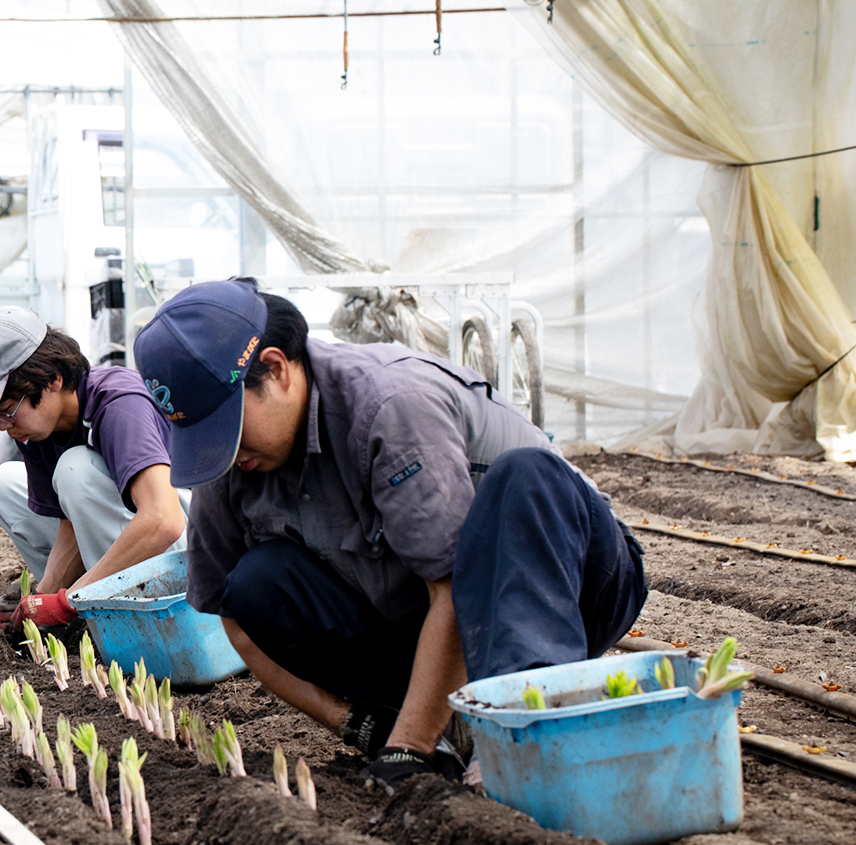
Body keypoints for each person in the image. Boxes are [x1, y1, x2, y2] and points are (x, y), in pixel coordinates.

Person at [132, 279, 646, 791]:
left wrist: (409, 749)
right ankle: (442, 716)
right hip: (422, 616)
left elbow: (453, 587)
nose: (223, 453)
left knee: (523, 476)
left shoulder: (389, 404)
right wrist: (362, 725)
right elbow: (233, 615)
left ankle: (522, 732)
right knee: (257, 584)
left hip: (570, 586)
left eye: (228, 428)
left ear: (276, 369)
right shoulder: (234, 462)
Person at [0, 305, 188, 629]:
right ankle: (87, 604)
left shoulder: (119, 405)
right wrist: (42, 597)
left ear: (54, 380)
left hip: (188, 564)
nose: (3, 427)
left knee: (76, 468)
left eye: (6, 410)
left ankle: (126, 615)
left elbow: (164, 520)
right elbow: (71, 524)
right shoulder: (38, 428)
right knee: (2, 484)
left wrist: (68, 602)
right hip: (123, 545)